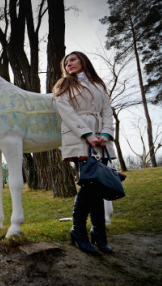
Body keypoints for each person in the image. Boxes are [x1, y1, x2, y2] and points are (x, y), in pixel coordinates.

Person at [53, 51, 116, 255]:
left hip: (101, 139)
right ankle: (78, 230)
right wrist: (87, 134)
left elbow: (107, 110)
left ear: (83, 60)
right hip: (78, 137)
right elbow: (66, 112)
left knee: (98, 186)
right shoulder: (64, 84)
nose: (68, 64)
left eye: (72, 59)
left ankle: (99, 234)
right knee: (89, 184)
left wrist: (106, 133)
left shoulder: (98, 85)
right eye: (66, 62)